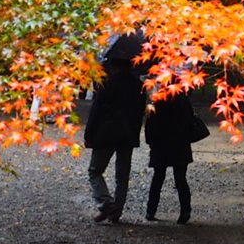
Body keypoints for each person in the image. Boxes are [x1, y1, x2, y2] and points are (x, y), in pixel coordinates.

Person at [84, 55, 146, 223]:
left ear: (114, 67)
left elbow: (95, 112)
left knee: (95, 170)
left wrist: (89, 135)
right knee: (122, 175)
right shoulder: (139, 86)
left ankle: (106, 204)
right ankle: (116, 211)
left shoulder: (107, 85)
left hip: (106, 133)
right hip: (127, 134)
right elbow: (140, 113)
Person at [144, 89, 198, 224]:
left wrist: (150, 141)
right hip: (180, 143)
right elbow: (191, 120)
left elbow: (150, 124)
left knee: (158, 177)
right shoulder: (183, 100)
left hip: (161, 143)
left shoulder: (158, 100)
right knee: (180, 179)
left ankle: (151, 210)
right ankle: (185, 211)